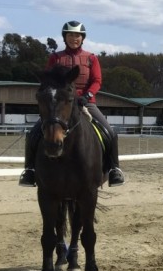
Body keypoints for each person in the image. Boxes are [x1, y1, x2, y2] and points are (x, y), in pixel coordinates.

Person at [19, 21, 125, 187]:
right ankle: (29, 171)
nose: (73, 38)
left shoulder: (91, 58)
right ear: (65, 37)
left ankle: (114, 170)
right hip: (61, 104)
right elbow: (49, 80)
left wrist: (87, 95)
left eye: (77, 35)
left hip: (86, 103)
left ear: (82, 38)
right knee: (33, 133)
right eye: (70, 35)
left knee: (110, 132)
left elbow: (97, 80)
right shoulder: (55, 57)